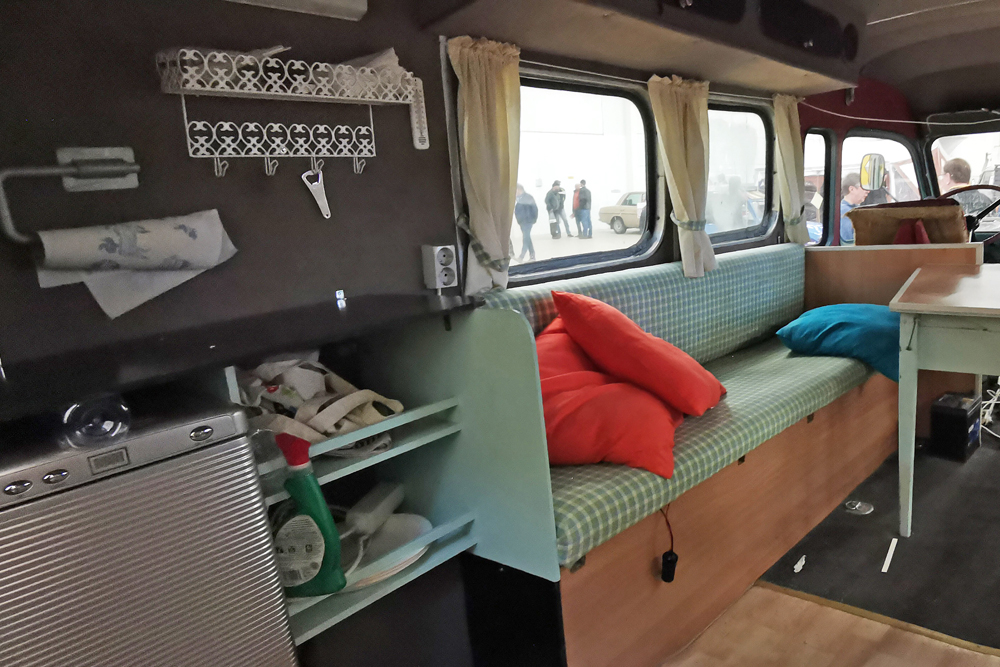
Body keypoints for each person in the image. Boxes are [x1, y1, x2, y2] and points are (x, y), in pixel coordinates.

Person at [839, 173, 867, 245]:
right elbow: (850, 242)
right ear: (851, 189)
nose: (867, 191)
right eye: (864, 187)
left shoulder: (853, 209)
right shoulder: (846, 212)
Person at [513, 184, 538, 262]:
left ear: (519, 189)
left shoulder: (528, 197)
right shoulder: (519, 198)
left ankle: (521, 256)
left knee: (525, 238)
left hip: (528, 221)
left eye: (515, 190)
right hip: (522, 222)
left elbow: (534, 209)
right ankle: (532, 256)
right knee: (527, 238)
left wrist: (533, 219)